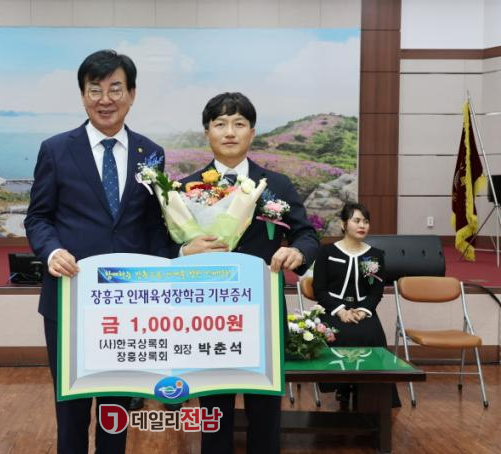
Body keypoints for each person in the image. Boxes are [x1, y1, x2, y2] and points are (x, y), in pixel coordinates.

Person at [24, 49, 170, 454]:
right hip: (69, 299)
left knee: (114, 409)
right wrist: (51, 251)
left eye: (115, 89)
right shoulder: (56, 149)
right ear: (83, 95)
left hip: (126, 306)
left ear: (132, 94)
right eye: (95, 90)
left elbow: (155, 226)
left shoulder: (151, 153)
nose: (106, 99)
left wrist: (168, 274)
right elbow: (38, 217)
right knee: (71, 409)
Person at [181, 92, 319, 454]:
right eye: (220, 124)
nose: (230, 132)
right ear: (207, 132)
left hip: (263, 312)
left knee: (265, 411)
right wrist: (183, 251)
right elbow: (165, 245)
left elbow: (307, 234)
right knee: (213, 410)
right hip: (208, 314)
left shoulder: (277, 184)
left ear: (252, 132)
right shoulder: (186, 187)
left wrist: (297, 251)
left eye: (239, 124)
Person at [312, 202, 400, 408]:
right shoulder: (327, 252)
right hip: (333, 309)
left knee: (372, 335)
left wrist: (362, 311)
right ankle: (342, 386)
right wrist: (340, 311)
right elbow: (320, 289)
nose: (362, 226)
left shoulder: (373, 255)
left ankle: (371, 392)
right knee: (338, 334)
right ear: (343, 224)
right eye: (357, 221)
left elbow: (376, 291)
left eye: (366, 222)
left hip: (363, 310)